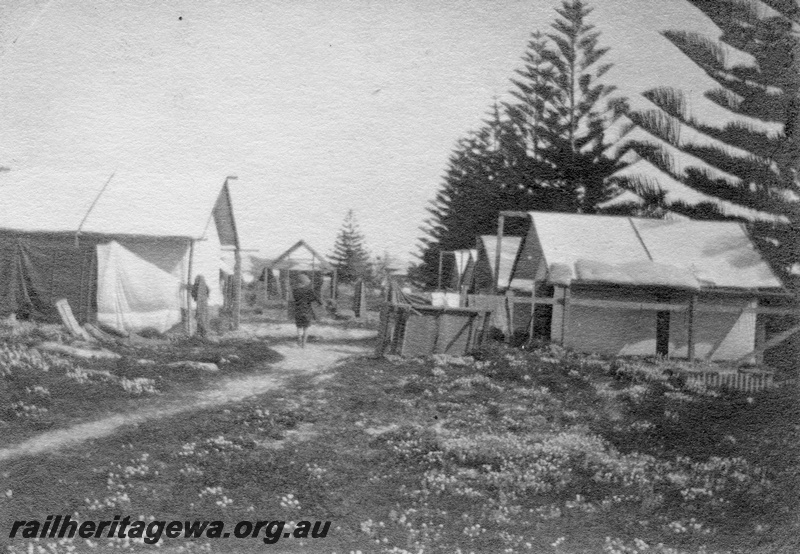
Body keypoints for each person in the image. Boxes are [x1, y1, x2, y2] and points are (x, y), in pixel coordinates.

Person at [292, 274, 320, 348]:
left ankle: (299, 338)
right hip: (307, 311)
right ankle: (304, 344)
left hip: (298, 311)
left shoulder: (295, 291)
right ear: (306, 282)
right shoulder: (309, 290)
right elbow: (317, 299)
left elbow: (296, 299)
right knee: (306, 328)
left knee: (299, 327)